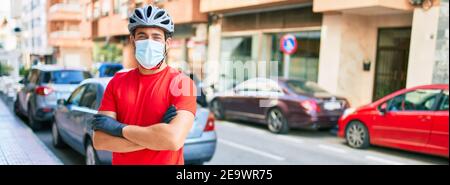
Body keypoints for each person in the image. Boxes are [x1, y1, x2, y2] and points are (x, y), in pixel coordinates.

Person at [91, 4, 197, 165]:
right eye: (142, 36)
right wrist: (156, 135)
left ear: (167, 44)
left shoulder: (183, 84)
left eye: (156, 37)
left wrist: (118, 128)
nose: (149, 42)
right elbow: (100, 141)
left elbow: (173, 140)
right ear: (132, 41)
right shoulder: (116, 82)